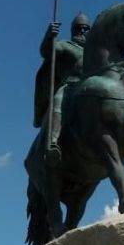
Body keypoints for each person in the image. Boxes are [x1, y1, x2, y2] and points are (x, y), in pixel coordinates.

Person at [34, 12, 91, 167]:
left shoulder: (94, 51)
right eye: (79, 28)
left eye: (86, 28)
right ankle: (53, 142)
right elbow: (47, 52)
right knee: (58, 102)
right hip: (70, 86)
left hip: (91, 88)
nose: (82, 31)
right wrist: (49, 36)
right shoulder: (65, 45)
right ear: (73, 30)